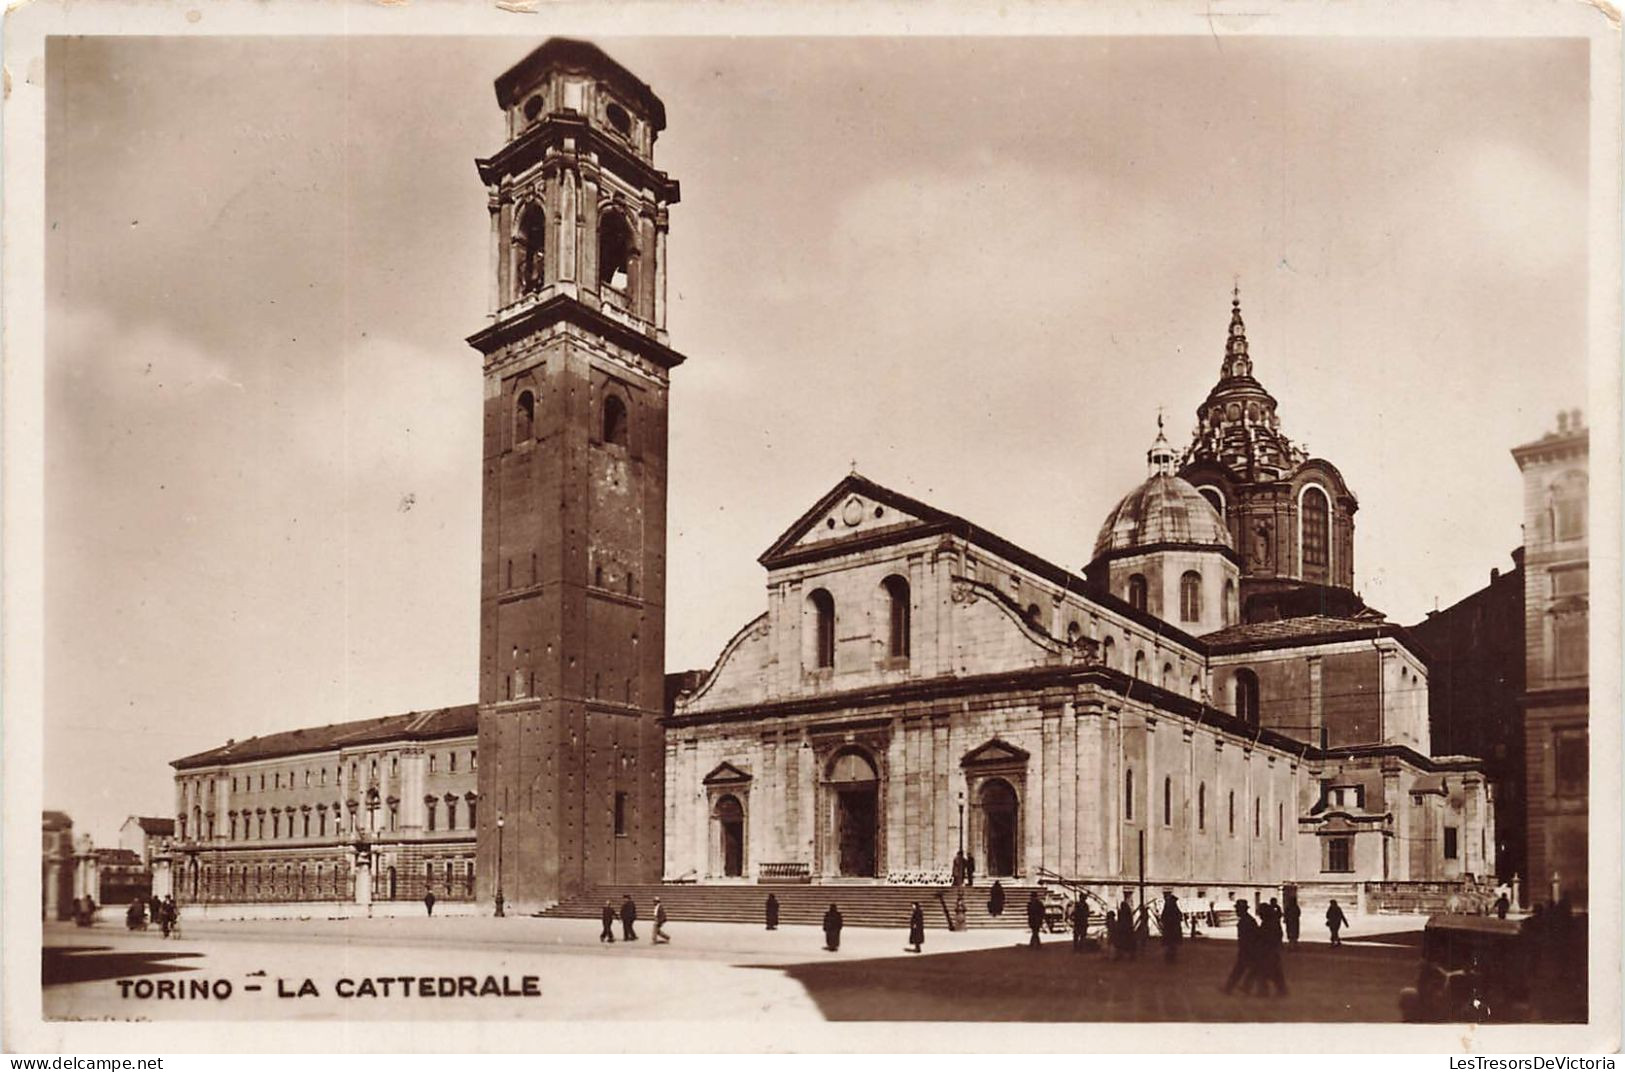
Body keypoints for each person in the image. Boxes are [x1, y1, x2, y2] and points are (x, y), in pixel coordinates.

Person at [1220, 900, 1259, 995]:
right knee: (1248, 969)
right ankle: (1243, 987)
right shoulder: (1247, 919)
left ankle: (1231, 988)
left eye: (1237, 909)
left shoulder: (1246, 921)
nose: (1236, 911)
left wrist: (1247, 949)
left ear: (1242, 910)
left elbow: (1251, 936)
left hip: (1248, 949)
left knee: (1242, 969)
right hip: (1248, 948)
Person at [1254, 899, 1287, 996]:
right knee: (1272, 972)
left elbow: (1272, 936)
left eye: (1261, 913)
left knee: (1266, 972)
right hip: (1269, 951)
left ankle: (1265, 991)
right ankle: (1279, 990)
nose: (1260, 915)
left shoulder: (1270, 923)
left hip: (1268, 951)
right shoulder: (1269, 922)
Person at [1159, 891, 1183, 964]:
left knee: (1170, 944)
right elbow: (1179, 916)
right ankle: (1171, 958)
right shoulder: (1174, 908)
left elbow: (1163, 917)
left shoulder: (1168, 907)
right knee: (1172, 944)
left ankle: (1169, 958)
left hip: (1169, 929)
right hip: (1173, 929)